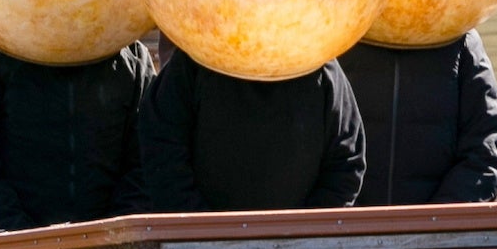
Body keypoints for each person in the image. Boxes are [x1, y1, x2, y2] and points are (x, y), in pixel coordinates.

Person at [0, 39, 157, 232]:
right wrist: (14, 232)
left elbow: (147, 159)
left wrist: (117, 230)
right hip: (13, 246)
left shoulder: (133, 58)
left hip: (112, 246)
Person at [138, 49, 368, 214]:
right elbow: (161, 150)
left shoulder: (323, 66)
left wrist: (302, 236)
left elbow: (346, 162)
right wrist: (202, 231)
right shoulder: (192, 62)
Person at [340, 33, 497, 207]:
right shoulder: (333, 38)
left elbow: (485, 147)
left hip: (440, 225)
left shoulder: (462, 40)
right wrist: (341, 218)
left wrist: (439, 219)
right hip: (345, 224)